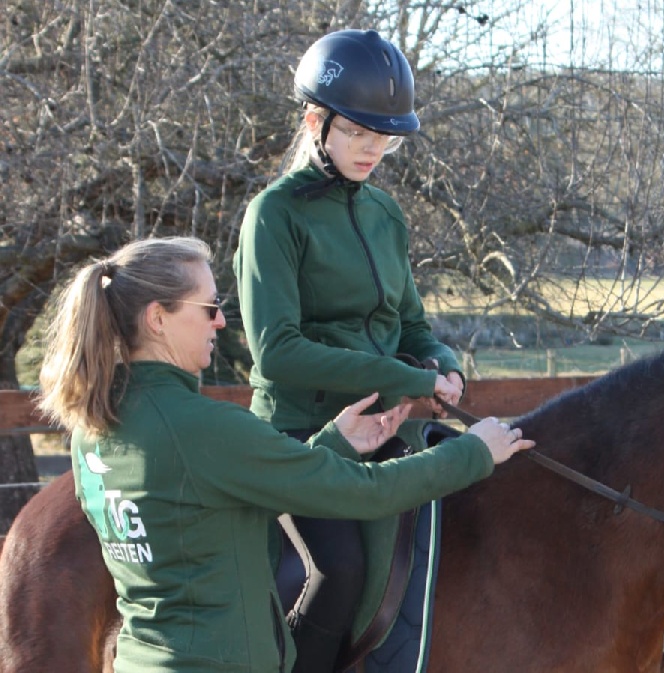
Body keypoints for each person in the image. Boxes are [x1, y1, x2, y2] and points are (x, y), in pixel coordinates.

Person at [36, 236, 533, 673]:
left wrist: (333, 444)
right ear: (158, 319)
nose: (222, 320)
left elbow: (201, 506)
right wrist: (473, 453)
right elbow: (365, 492)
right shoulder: (205, 428)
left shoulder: (92, 429)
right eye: (209, 308)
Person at [232, 29, 472, 672]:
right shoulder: (272, 216)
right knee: (336, 572)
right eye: (359, 132)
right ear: (316, 121)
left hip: (385, 426)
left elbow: (412, 324)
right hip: (300, 437)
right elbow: (278, 351)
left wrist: (443, 365)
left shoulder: (386, 215)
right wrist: (399, 374)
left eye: (385, 137)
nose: (374, 149)